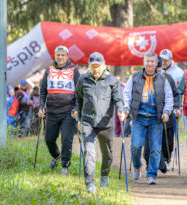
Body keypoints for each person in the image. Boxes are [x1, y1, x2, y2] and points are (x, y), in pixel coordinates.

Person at [75, 52, 124, 193]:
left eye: (98, 66)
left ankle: (104, 175)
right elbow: (78, 99)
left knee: (107, 154)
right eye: (92, 66)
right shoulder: (83, 80)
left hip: (106, 123)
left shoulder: (112, 81)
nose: (95, 69)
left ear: (104, 66)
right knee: (89, 153)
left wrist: (120, 110)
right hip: (88, 122)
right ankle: (90, 183)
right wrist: (79, 117)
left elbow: (118, 99)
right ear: (89, 66)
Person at [123, 52, 174, 185]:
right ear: (144, 62)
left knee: (156, 148)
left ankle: (151, 174)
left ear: (157, 63)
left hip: (155, 119)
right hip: (138, 118)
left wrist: (167, 112)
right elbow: (126, 94)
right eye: (148, 61)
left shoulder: (163, 79)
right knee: (135, 146)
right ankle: (137, 165)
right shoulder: (134, 77)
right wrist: (126, 108)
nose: (150, 64)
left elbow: (169, 98)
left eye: (153, 61)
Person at [38, 46, 80, 175]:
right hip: (51, 111)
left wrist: (77, 108)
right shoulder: (48, 71)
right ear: (55, 56)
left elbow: (79, 93)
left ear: (67, 56)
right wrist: (41, 107)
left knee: (66, 140)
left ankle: (65, 166)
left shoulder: (74, 71)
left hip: (68, 112)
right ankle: (57, 156)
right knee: (49, 139)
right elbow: (43, 91)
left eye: (63, 55)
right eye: (58, 55)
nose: (60, 57)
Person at [143, 56, 180, 173]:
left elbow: (175, 95)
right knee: (150, 142)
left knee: (167, 141)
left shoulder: (168, 78)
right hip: (151, 116)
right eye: (156, 66)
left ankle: (166, 159)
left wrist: (176, 108)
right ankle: (151, 163)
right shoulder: (144, 78)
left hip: (167, 116)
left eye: (159, 67)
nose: (157, 69)